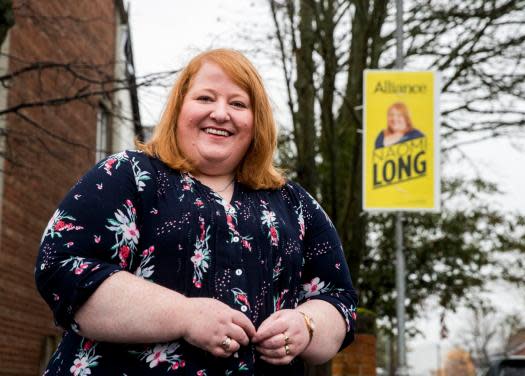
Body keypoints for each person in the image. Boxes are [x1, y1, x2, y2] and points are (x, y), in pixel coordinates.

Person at [35, 48, 357, 375]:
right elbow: (61, 267)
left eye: (238, 104)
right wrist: (186, 316)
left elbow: (340, 302)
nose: (220, 113)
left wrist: (307, 324)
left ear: (256, 121)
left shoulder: (295, 205)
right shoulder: (128, 176)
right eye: (205, 98)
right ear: (179, 108)